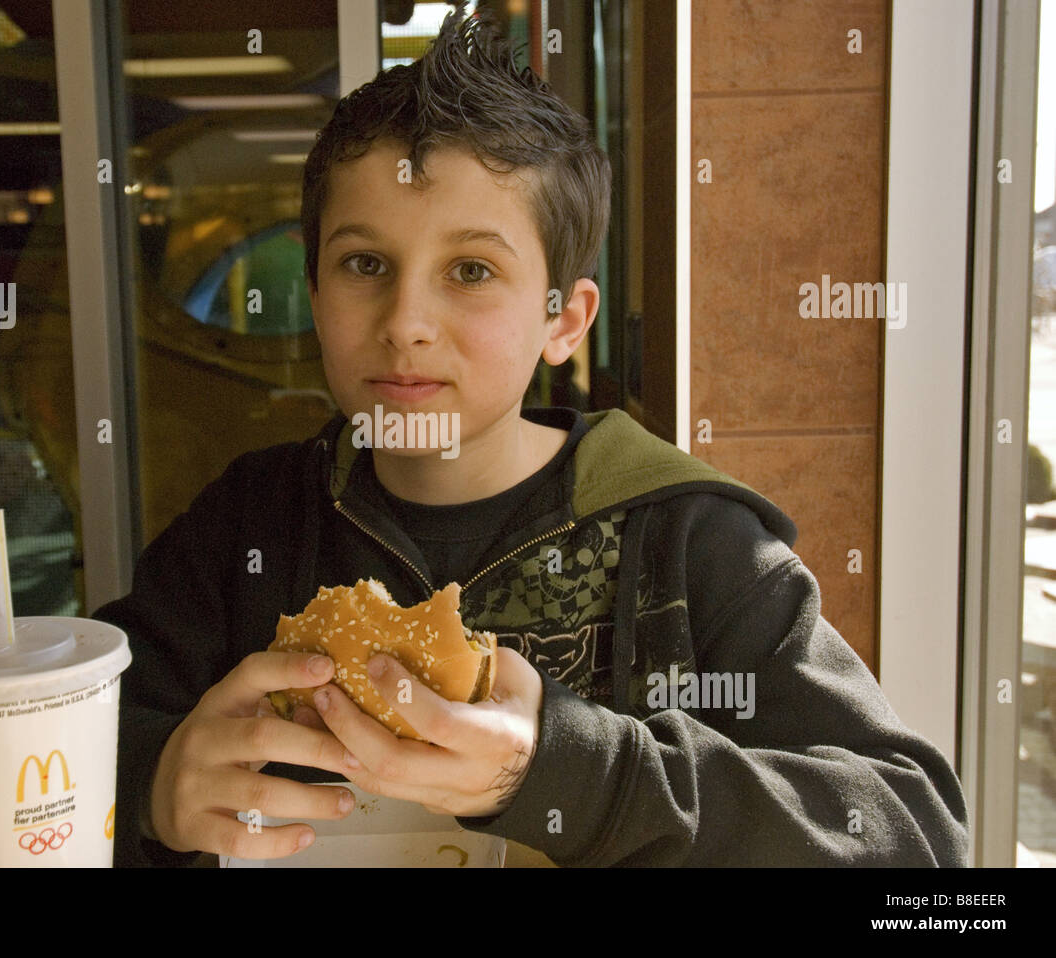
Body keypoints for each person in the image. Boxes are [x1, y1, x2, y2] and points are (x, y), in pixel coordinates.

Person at [93, 7, 969, 867]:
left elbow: (918, 839)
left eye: (470, 271)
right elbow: (74, 745)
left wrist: (569, 769)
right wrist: (150, 787)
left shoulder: (693, 547)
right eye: (365, 264)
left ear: (564, 319)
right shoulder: (246, 526)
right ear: (315, 292)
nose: (407, 323)